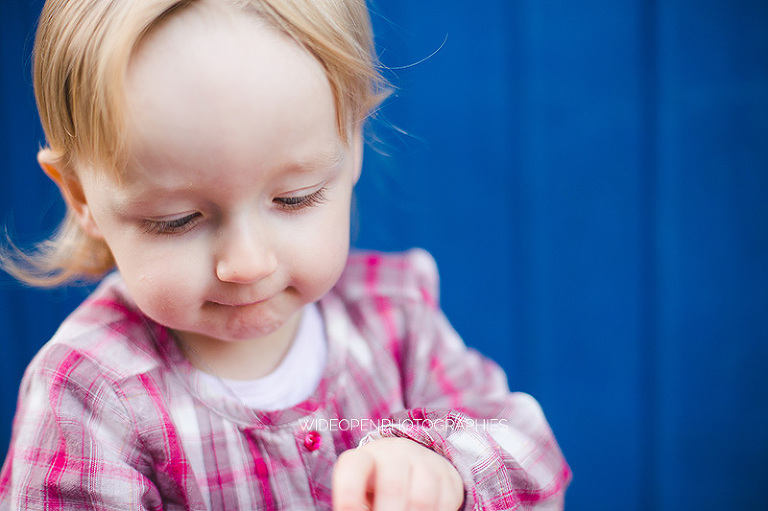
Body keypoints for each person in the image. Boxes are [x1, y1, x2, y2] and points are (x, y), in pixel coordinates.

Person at [0, 0, 571, 508]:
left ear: (350, 149)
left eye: (294, 199)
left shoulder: (394, 317)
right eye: (175, 220)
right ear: (81, 197)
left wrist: (445, 471)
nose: (247, 263)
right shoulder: (90, 399)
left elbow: (534, 457)